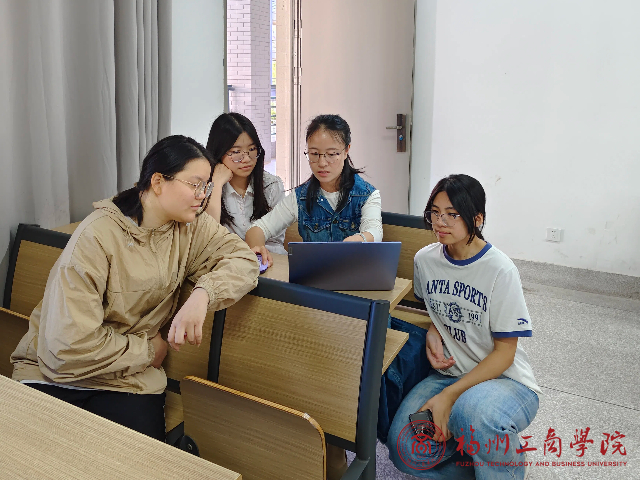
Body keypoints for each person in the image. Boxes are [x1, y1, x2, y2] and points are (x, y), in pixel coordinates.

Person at [11, 135, 259, 441]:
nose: (202, 196)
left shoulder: (190, 227)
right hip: (57, 376)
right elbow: (67, 348)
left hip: (130, 381)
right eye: (195, 185)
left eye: (206, 187)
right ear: (158, 182)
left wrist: (203, 294)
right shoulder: (97, 236)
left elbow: (245, 261)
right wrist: (148, 351)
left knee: (137, 459)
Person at [387, 174, 540, 480]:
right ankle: (489, 461)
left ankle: (500, 459)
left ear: (477, 219)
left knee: (472, 414)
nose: (440, 222)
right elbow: (435, 308)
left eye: (452, 214)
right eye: (435, 212)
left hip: (504, 380)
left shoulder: (500, 270)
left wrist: (449, 396)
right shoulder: (425, 260)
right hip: (449, 374)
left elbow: (505, 353)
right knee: (404, 449)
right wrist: (434, 330)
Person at [245, 113, 382, 266]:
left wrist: (360, 239)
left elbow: (375, 232)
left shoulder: (367, 195)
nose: (322, 163)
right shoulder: (300, 197)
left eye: (331, 154)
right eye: (314, 154)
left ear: (346, 151)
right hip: (314, 276)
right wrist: (258, 248)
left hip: (355, 273)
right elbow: (258, 228)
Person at [205, 112, 286, 254]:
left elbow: (275, 243)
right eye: (236, 152)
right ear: (219, 152)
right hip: (226, 264)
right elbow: (207, 240)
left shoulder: (271, 185)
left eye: (252, 149)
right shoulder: (204, 187)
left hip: (268, 261)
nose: (247, 159)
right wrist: (216, 185)